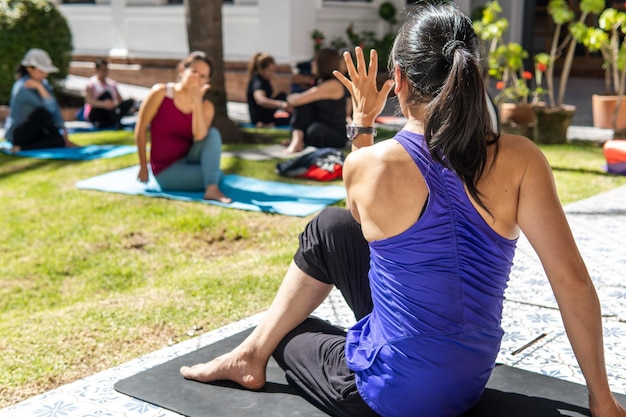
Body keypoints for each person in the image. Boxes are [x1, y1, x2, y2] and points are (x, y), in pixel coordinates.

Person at [179, 3, 626, 417]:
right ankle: (251, 354)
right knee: (329, 228)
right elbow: (572, 281)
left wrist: (363, 124)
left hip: (392, 395)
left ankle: (252, 355)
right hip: (469, 381)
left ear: (400, 79)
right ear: (472, 73)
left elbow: (363, 206)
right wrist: (602, 402)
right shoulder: (523, 157)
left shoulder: (370, 164)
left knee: (292, 333)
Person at [135, 51, 231, 203]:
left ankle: (211, 189)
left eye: (203, 76)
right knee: (217, 175)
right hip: (166, 169)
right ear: (181, 70)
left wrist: (196, 102)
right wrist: (143, 166)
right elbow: (140, 128)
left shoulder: (206, 106)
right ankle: (211, 182)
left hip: (190, 158)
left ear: (208, 81)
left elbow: (200, 137)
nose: (197, 79)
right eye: (194, 72)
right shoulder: (160, 93)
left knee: (212, 134)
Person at [4, 48, 77, 152]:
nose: (45, 74)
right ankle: (21, 148)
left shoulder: (44, 84)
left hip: (36, 131)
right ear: (29, 68)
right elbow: (49, 109)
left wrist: (63, 128)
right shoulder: (22, 87)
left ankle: (20, 149)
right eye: (42, 70)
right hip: (18, 134)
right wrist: (40, 87)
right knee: (41, 113)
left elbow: (55, 108)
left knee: (59, 141)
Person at [284, 48, 347, 153]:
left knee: (304, 105)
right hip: (318, 127)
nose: (312, 63)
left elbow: (297, 100)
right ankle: (297, 139)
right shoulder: (321, 82)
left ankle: (298, 140)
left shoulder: (333, 84)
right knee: (304, 103)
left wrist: (290, 98)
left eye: (315, 60)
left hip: (333, 135)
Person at [83, 58, 136, 129]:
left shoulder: (112, 84)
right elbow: (89, 100)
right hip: (97, 112)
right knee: (106, 94)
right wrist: (103, 104)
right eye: (102, 70)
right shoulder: (91, 84)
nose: (104, 72)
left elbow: (120, 101)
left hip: (111, 111)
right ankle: (116, 121)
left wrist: (114, 104)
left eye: (106, 70)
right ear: (96, 70)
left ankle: (114, 120)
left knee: (130, 101)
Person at [246, 52, 291, 128]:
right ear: (261, 69)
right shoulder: (258, 82)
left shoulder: (264, 80)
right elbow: (260, 100)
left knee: (282, 96)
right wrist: (281, 104)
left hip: (265, 113)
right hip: (259, 116)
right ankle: (266, 125)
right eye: (270, 70)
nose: (272, 73)